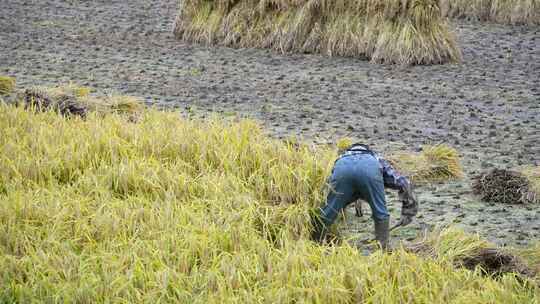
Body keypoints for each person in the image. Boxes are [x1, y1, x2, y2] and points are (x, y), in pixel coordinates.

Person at [311, 143, 418, 249]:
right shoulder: (376, 158)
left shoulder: (340, 159)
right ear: (368, 150)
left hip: (343, 171)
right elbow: (404, 183)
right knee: (381, 212)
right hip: (369, 173)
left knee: (329, 211)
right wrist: (408, 212)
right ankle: (383, 248)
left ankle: (314, 244)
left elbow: (327, 188)